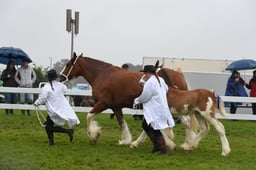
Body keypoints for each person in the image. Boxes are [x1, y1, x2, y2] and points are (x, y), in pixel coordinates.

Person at [133, 65, 175, 154]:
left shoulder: (150, 82)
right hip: (161, 107)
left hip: (155, 109)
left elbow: (146, 96)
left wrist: (137, 100)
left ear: (148, 73)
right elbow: (165, 89)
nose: (144, 75)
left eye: (145, 73)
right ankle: (157, 145)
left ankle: (163, 149)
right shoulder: (160, 80)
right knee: (146, 125)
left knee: (154, 128)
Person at [34, 69, 80, 146]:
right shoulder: (61, 86)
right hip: (60, 109)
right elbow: (65, 89)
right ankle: (52, 142)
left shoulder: (46, 87)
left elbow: (43, 98)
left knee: (48, 127)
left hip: (53, 110)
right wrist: (61, 83)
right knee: (48, 126)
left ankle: (67, 131)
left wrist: (36, 103)